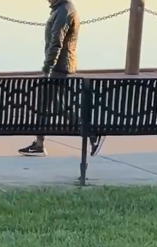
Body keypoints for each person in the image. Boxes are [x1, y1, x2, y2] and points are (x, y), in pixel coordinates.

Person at [19, 0, 103, 158]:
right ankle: (39, 143)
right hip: (59, 66)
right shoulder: (61, 9)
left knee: (60, 106)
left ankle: (90, 132)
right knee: (45, 103)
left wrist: (48, 67)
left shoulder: (64, 11)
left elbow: (57, 42)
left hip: (60, 68)